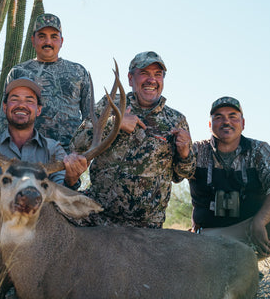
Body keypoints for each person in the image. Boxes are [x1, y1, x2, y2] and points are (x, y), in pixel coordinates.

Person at [0, 77, 88, 298]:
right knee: (10, 247)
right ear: (5, 107)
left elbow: (60, 196)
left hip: (42, 245)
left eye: (29, 100)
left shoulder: (53, 150)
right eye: (15, 99)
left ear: (38, 110)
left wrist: (71, 179)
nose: (22, 104)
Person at [70, 51, 196, 229]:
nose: (151, 80)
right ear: (130, 79)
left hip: (145, 227)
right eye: (144, 73)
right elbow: (76, 145)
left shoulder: (176, 120)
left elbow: (182, 175)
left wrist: (185, 155)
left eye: (157, 74)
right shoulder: (109, 105)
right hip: (98, 216)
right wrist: (115, 123)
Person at [189, 96, 270, 268]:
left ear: (243, 123)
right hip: (211, 237)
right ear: (210, 125)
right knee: (183, 250)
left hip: (254, 230)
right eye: (218, 117)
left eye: (233, 116)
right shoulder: (196, 151)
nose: (226, 121)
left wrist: (260, 221)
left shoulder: (260, 150)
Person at [0, 13, 91, 153]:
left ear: (61, 41)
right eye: (42, 36)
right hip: (25, 153)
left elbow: (89, 117)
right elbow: (4, 118)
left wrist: (83, 155)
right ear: (33, 40)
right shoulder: (18, 72)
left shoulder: (78, 72)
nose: (48, 42)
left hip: (68, 156)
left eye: (54, 37)